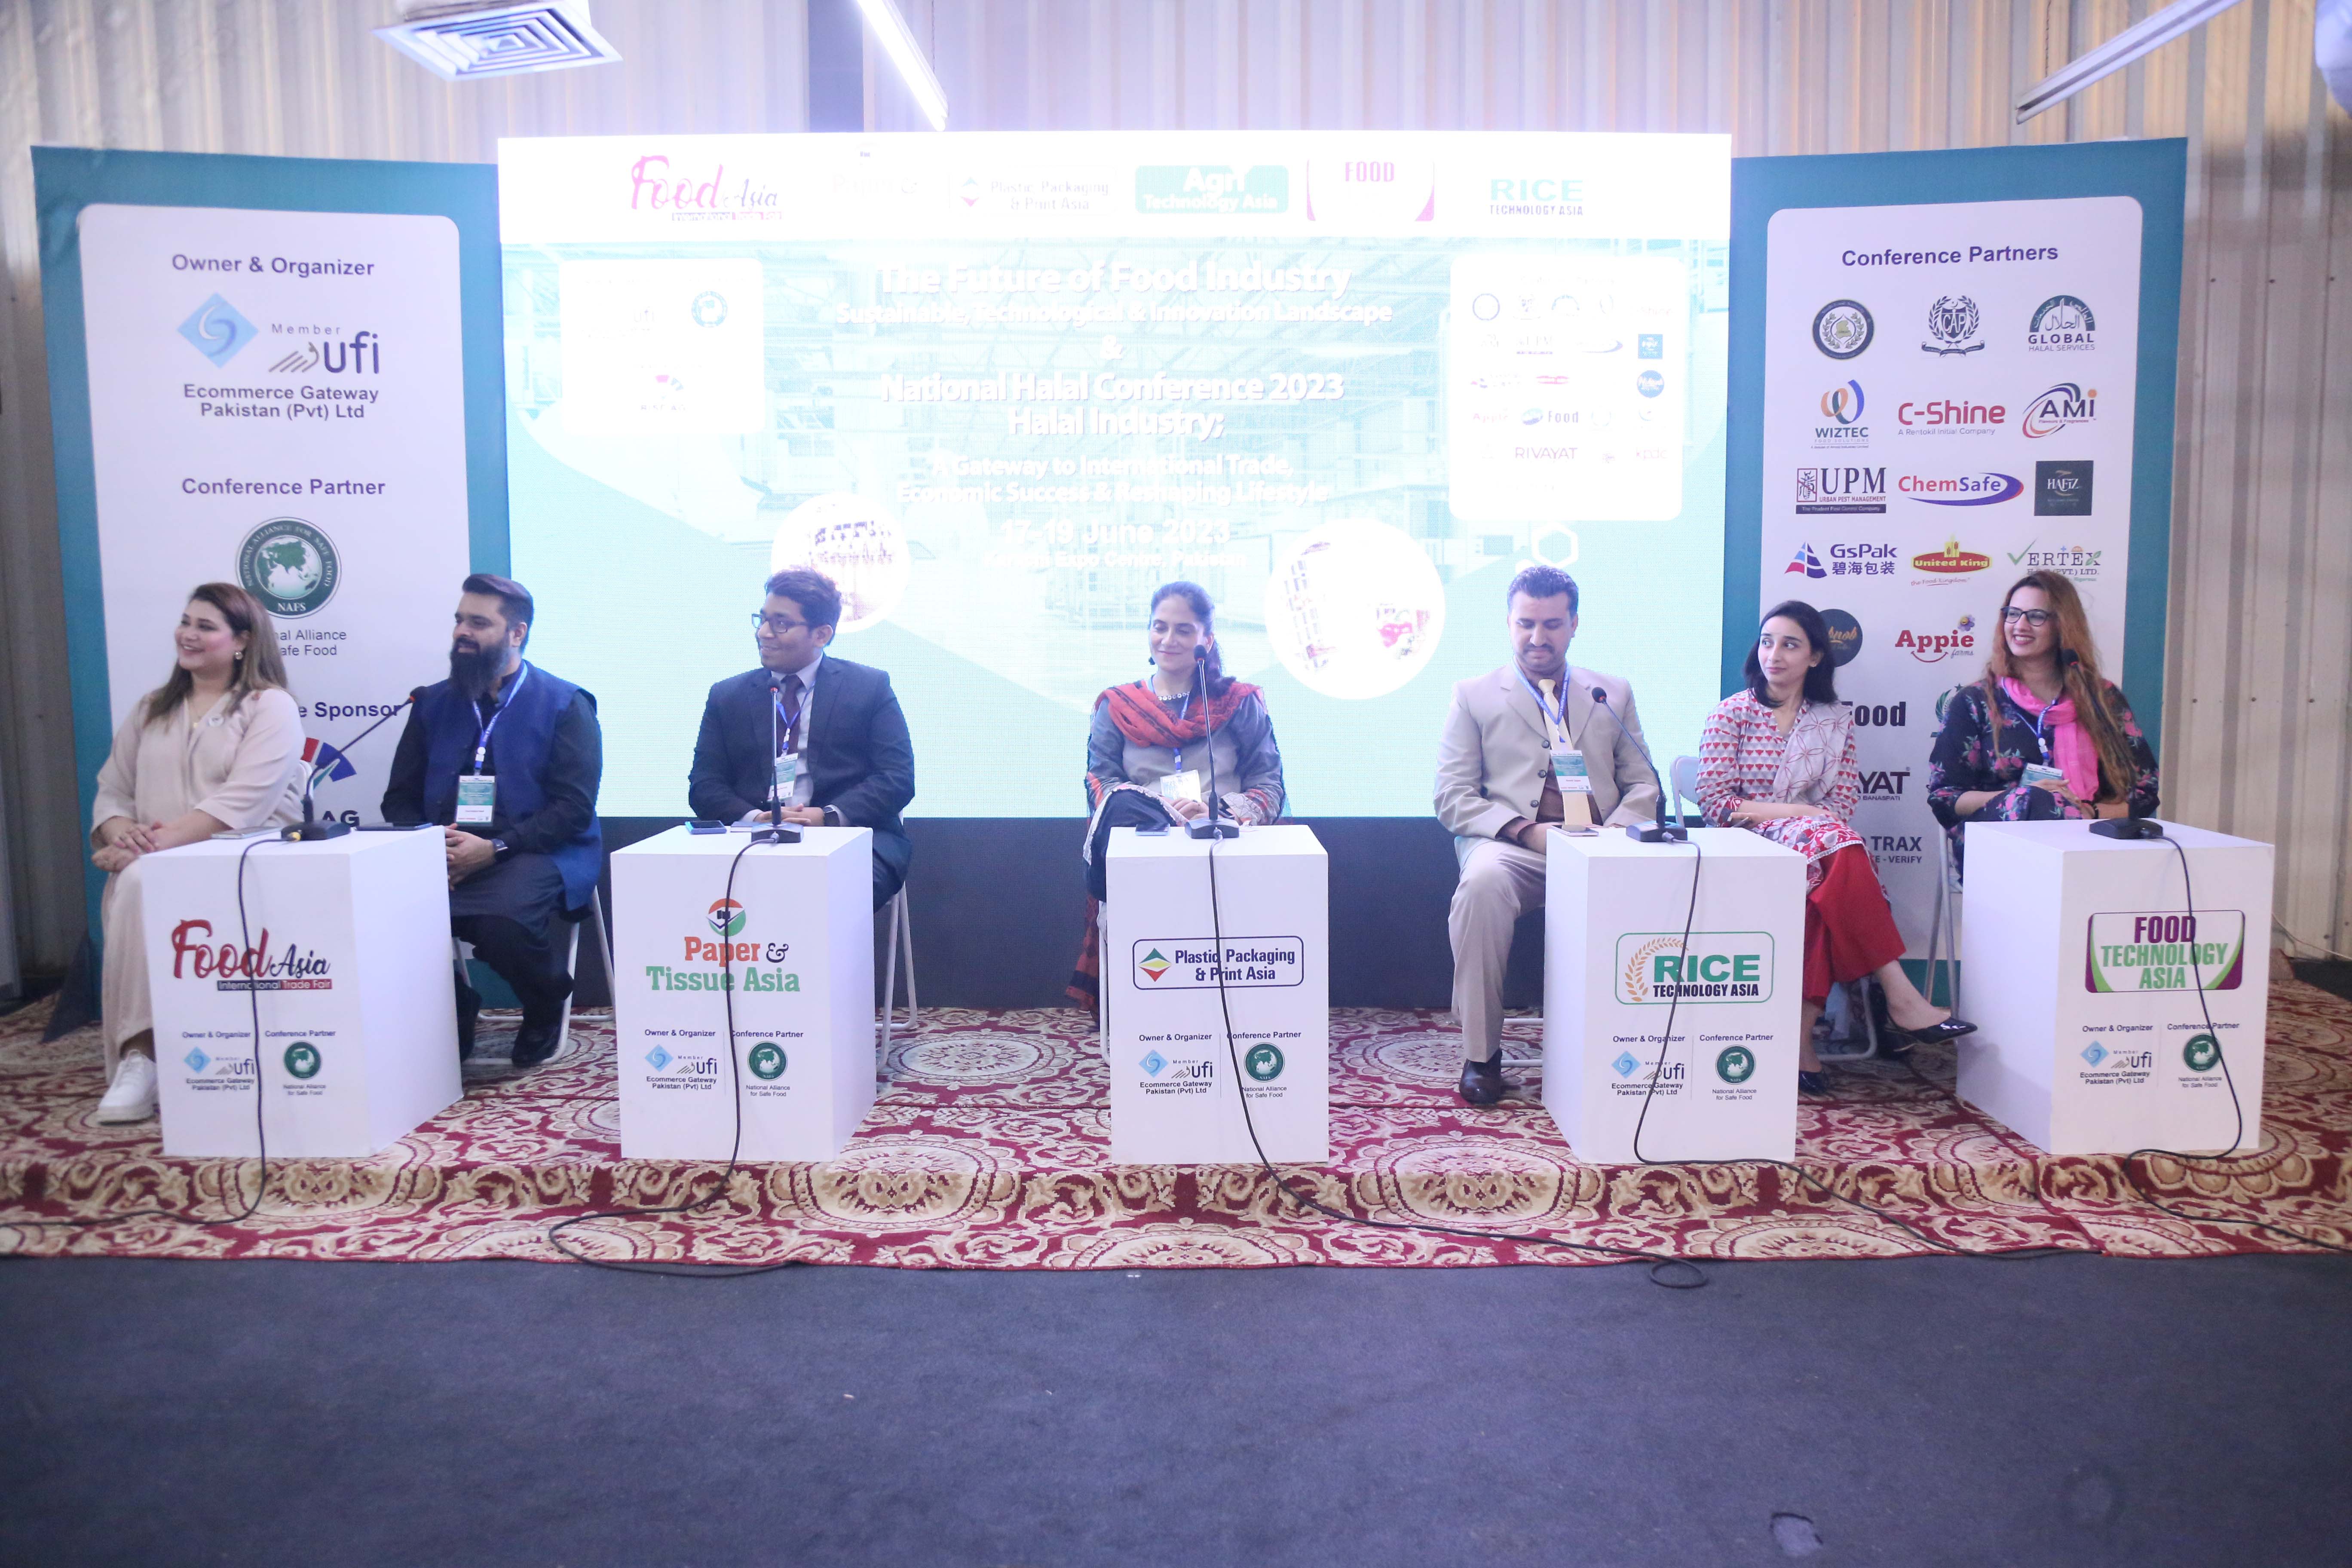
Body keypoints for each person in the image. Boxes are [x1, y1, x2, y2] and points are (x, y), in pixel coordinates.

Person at [1698, 601, 1976, 1096]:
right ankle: (1900, 995)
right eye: (1767, 642)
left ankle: (1800, 1041)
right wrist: (1797, 813)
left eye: (1790, 645)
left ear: (1815, 657)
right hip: (1746, 844)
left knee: (1821, 887)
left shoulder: (1833, 720)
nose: (1774, 655)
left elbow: (1842, 803)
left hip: (1817, 847)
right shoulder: (1731, 714)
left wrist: (1809, 824)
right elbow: (1718, 804)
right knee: (1839, 853)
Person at [1436, 565, 1657, 1106]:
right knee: (1481, 885)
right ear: (1509, 623)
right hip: (1515, 851)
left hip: (1603, 847)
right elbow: (1451, 797)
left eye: (1553, 624)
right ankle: (1482, 1056)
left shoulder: (1612, 693)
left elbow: (1644, 783)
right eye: (1526, 624)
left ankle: (1633, 1046)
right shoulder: (1473, 695)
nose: (1538, 638)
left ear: (1574, 624)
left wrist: (1614, 834)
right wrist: (1525, 831)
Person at [88, 584, 306, 1122]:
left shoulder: (270, 707)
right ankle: (138, 1059)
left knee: (140, 880)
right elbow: (112, 793)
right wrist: (124, 837)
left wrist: (145, 850)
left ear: (243, 641)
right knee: (138, 881)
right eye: (186, 622)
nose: (188, 634)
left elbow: (242, 804)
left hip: (240, 864)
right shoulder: (151, 708)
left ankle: (143, 1055)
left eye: (206, 626)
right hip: (150, 862)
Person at [383, 574, 603, 1068]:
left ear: (517, 633)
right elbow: (399, 800)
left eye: (479, 623)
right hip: (443, 852)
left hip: (535, 848)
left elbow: (573, 809)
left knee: (500, 921)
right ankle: (454, 1007)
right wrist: (431, 844)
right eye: (460, 620)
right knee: (379, 911)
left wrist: (494, 849)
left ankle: (546, 1001)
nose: (462, 632)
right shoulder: (432, 703)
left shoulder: (566, 704)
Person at [1067, 582, 1285, 1011]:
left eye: (1184, 630)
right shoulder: (1117, 705)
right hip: (1142, 846)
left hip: (1222, 844)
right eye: (1160, 627)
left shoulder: (1238, 703)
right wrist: (1159, 810)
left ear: (1207, 640)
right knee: (1123, 806)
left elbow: (1269, 784)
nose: (1169, 640)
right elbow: (1100, 782)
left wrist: (1217, 813)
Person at [688, 567, 916, 910]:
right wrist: (757, 818)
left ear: (821, 634)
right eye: (763, 620)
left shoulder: (868, 688)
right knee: (688, 888)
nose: (764, 633)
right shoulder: (728, 696)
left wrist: (827, 816)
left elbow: (897, 778)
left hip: (850, 835)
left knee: (830, 893)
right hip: (749, 838)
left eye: (781, 623)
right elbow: (705, 785)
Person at [1927, 570, 2159, 876]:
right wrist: (2023, 797)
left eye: (2036, 616)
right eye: (2013, 614)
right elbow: (1946, 797)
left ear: (2063, 625)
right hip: (1998, 850)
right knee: (2038, 800)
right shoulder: (1975, 702)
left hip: (2089, 845)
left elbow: (2144, 793)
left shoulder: (2103, 700)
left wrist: (2087, 812)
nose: (2020, 626)